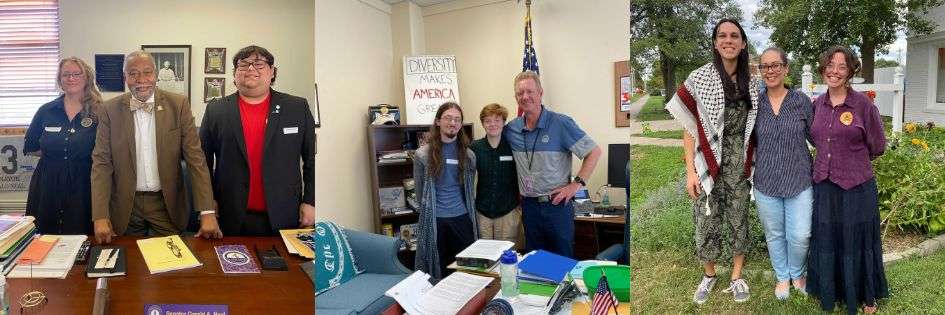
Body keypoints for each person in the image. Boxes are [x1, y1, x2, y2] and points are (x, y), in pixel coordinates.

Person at [664, 18, 759, 304]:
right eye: (722, 36)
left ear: (742, 44)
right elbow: (690, 128)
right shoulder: (700, 79)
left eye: (734, 36)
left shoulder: (751, 83)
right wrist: (691, 172)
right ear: (716, 42)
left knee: (739, 219)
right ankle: (709, 275)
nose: (728, 40)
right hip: (708, 164)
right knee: (706, 220)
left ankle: (736, 276)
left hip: (739, 165)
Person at [91, 50, 222, 244]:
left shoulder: (178, 105)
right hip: (125, 206)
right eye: (133, 73)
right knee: (129, 267)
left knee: (171, 264)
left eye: (147, 72)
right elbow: (101, 164)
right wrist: (100, 215)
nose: (141, 79)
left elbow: (197, 160)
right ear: (125, 77)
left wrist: (207, 211)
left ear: (156, 74)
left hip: (167, 204)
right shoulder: (109, 110)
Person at [200, 45, 317, 235]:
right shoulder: (216, 110)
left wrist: (310, 201)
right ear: (235, 73)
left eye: (259, 64)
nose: (251, 69)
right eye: (243, 65)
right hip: (230, 214)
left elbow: (312, 159)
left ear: (272, 72)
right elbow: (202, 163)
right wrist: (207, 204)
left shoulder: (297, 107)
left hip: (286, 213)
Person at [806, 46, 888, 315]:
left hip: (856, 188)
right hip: (824, 186)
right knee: (829, 239)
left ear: (851, 71)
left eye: (842, 66)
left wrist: (851, 163)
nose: (835, 71)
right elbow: (814, 138)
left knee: (857, 241)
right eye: (830, 65)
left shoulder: (864, 105)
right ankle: (833, 291)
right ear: (822, 69)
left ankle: (866, 296)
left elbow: (877, 146)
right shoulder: (816, 105)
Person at [504, 71, 602, 258]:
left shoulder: (560, 123)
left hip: (556, 205)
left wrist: (576, 185)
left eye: (530, 91)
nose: (525, 97)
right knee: (536, 261)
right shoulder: (512, 129)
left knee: (563, 261)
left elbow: (594, 152)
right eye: (520, 93)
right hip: (529, 207)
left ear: (540, 93)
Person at [752, 47, 814, 300]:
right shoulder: (754, 103)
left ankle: (798, 273)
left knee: (800, 234)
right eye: (765, 66)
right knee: (774, 234)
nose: (770, 71)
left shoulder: (801, 101)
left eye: (775, 65)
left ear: (786, 68)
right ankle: (782, 277)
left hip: (799, 179)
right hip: (766, 181)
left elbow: (818, 136)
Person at [23, 57, 103, 234]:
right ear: (60, 80)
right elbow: (31, 145)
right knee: (45, 235)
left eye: (76, 74)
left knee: (81, 234)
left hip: (85, 182)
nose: (71, 78)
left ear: (86, 77)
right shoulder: (46, 110)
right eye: (66, 75)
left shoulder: (100, 111)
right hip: (48, 182)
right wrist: (56, 156)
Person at [413, 102, 479, 280]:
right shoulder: (422, 156)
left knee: (465, 271)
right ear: (437, 122)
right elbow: (421, 195)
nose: (453, 123)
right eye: (448, 118)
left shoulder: (469, 156)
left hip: (462, 220)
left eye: (457, 119)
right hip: (436, 221)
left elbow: (468, 189)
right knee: (439, 271)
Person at [471, 103, 520, 245]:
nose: (493, 124)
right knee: (485, 257)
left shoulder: (514, 146)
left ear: (504, 122)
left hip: (508, 211)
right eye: (488, 121)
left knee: (507, 257)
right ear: (483, 124)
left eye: (497, 120)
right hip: (483, 212)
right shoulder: (475, 147)